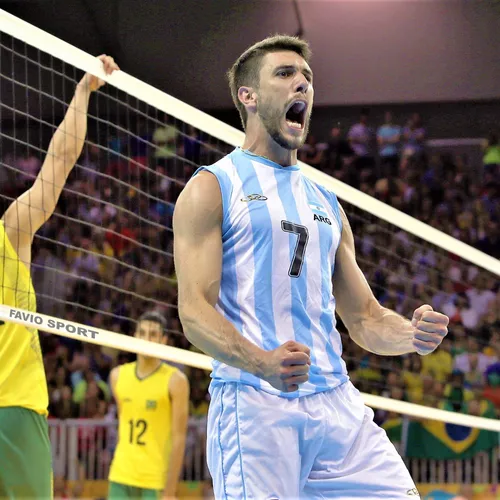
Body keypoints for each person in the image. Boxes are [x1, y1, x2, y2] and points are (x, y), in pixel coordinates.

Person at [173, 35, 449, 499]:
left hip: (337, 404)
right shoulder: (213, 187)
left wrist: (410, 335)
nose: (301, 84)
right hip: (256, 404)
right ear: (249, 96)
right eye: (285, 74)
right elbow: (193, 312)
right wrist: (262, 363)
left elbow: (364, 318)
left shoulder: (326, 201)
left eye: (307, 78)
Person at [0, 55, 118, 498]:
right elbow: (60, 161)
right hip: (15, 409)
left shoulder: (9, 232)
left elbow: (60, 159)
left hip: (14, 408)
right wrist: (83, 90)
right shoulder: (11, 230)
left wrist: (83, 90)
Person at [107, 312, 189, 500]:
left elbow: (179, 438)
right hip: (121, 474)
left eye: (153, 335)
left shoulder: (176, 381)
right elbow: (123, 423)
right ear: (135, 336)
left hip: (155, 480)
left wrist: (170, 489)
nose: (146, 339)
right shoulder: (117, 376)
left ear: (163, 340)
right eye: (142, 333)